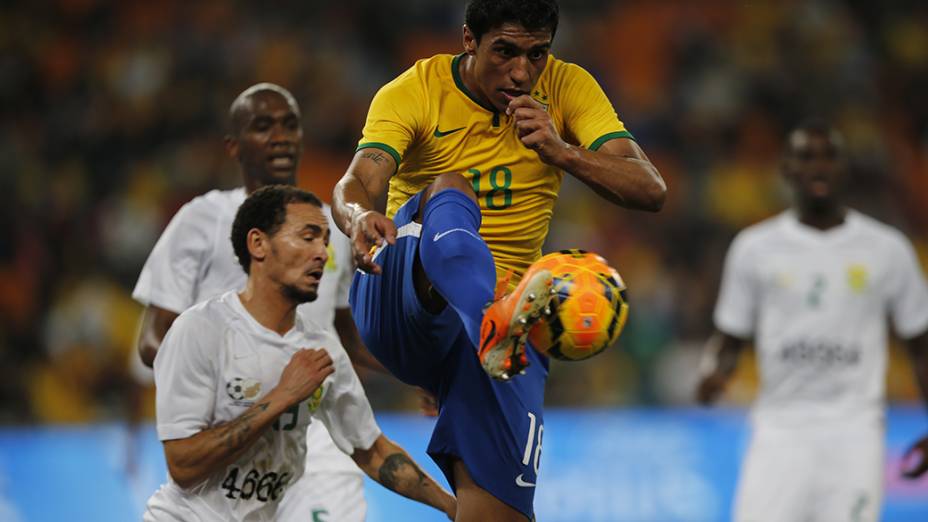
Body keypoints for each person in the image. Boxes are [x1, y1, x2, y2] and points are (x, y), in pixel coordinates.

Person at [332, 0, 666, 519]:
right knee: (450, 187)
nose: (521, 72)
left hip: (510, 321)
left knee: (498, 512)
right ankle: (486, 320)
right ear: (469, 40)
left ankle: (490, 329)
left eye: (537, 55)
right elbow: (358, 182)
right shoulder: (414, 91)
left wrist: (562, 152)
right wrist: (357, 218)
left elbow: (650, 188)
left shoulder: (567, 87)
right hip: (397, 291)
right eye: (505, 51)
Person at [131, 83, 380, 521]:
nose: (280, 136)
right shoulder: (201, 218)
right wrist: (243, 376)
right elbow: (153, 339)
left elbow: (346, 338)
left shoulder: (330, 229)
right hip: (233, 432)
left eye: (290, 125)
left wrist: (420, 376)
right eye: (263, 126)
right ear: (233, 146)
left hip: (316, 432)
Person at [144, 185, 455, 521]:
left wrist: (454, 508)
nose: (322, 252)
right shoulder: (200, 330)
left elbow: (374, 452)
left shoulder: (321, 348)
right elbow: (182, 464)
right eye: (308, 237)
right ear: (258, 244)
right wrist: (282, 397)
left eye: (324, 240)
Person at [696, 120, 928, 521]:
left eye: (829, 156)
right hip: (780, 428)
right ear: (787, 170)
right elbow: (730, 338)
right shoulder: (754, 248)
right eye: (806, 157)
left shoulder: (887, 250)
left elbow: (920, 344)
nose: (818, 167)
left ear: (845, 168)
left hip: (855, 431)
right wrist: (714, 374)